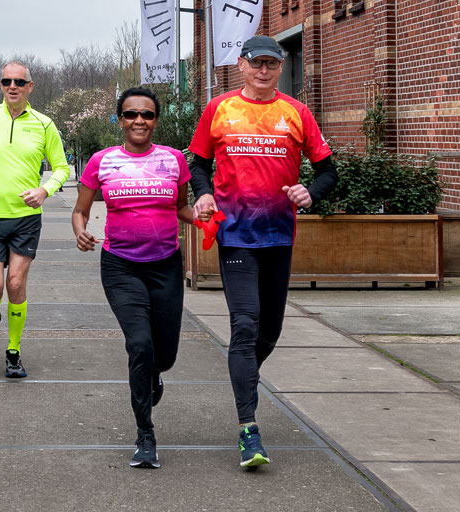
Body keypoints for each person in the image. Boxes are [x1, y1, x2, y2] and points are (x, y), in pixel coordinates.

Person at [188, 35, 338, 469]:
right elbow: (198, 163)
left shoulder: (297, 113)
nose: (264, 70)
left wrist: (311, 192)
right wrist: (203, 193)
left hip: (278, 237)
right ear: (241, 65)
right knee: (245, 324)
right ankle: (248, 428)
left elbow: (328, 172)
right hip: (235, 235)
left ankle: (243, 376)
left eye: (272, 63)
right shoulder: (219, 109)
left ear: (281, 67)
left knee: (269, 331)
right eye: (257, 63)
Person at [72, 87, 193, 469]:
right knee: (139, 345)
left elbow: (182, 207)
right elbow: (80, 210)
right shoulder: (102, 161)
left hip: (166, 265)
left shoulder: (174, 160)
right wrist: (80, 231)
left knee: (164, 355)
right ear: (120, 120)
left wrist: (207, 218)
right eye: (131, 114)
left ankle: (154, 374)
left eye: (147, 114)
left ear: (155, 120)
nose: (139, 120)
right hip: (121, 266)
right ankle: (145, 435)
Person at [0, 61, 74, 379]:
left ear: (29, 87)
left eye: (19, 82)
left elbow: (62, 167)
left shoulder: (44, 124)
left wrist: (45, 190)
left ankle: (13, 352)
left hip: (26, 219)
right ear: (1, 85)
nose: (13, 87)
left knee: (16, 284)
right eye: (7, 81)